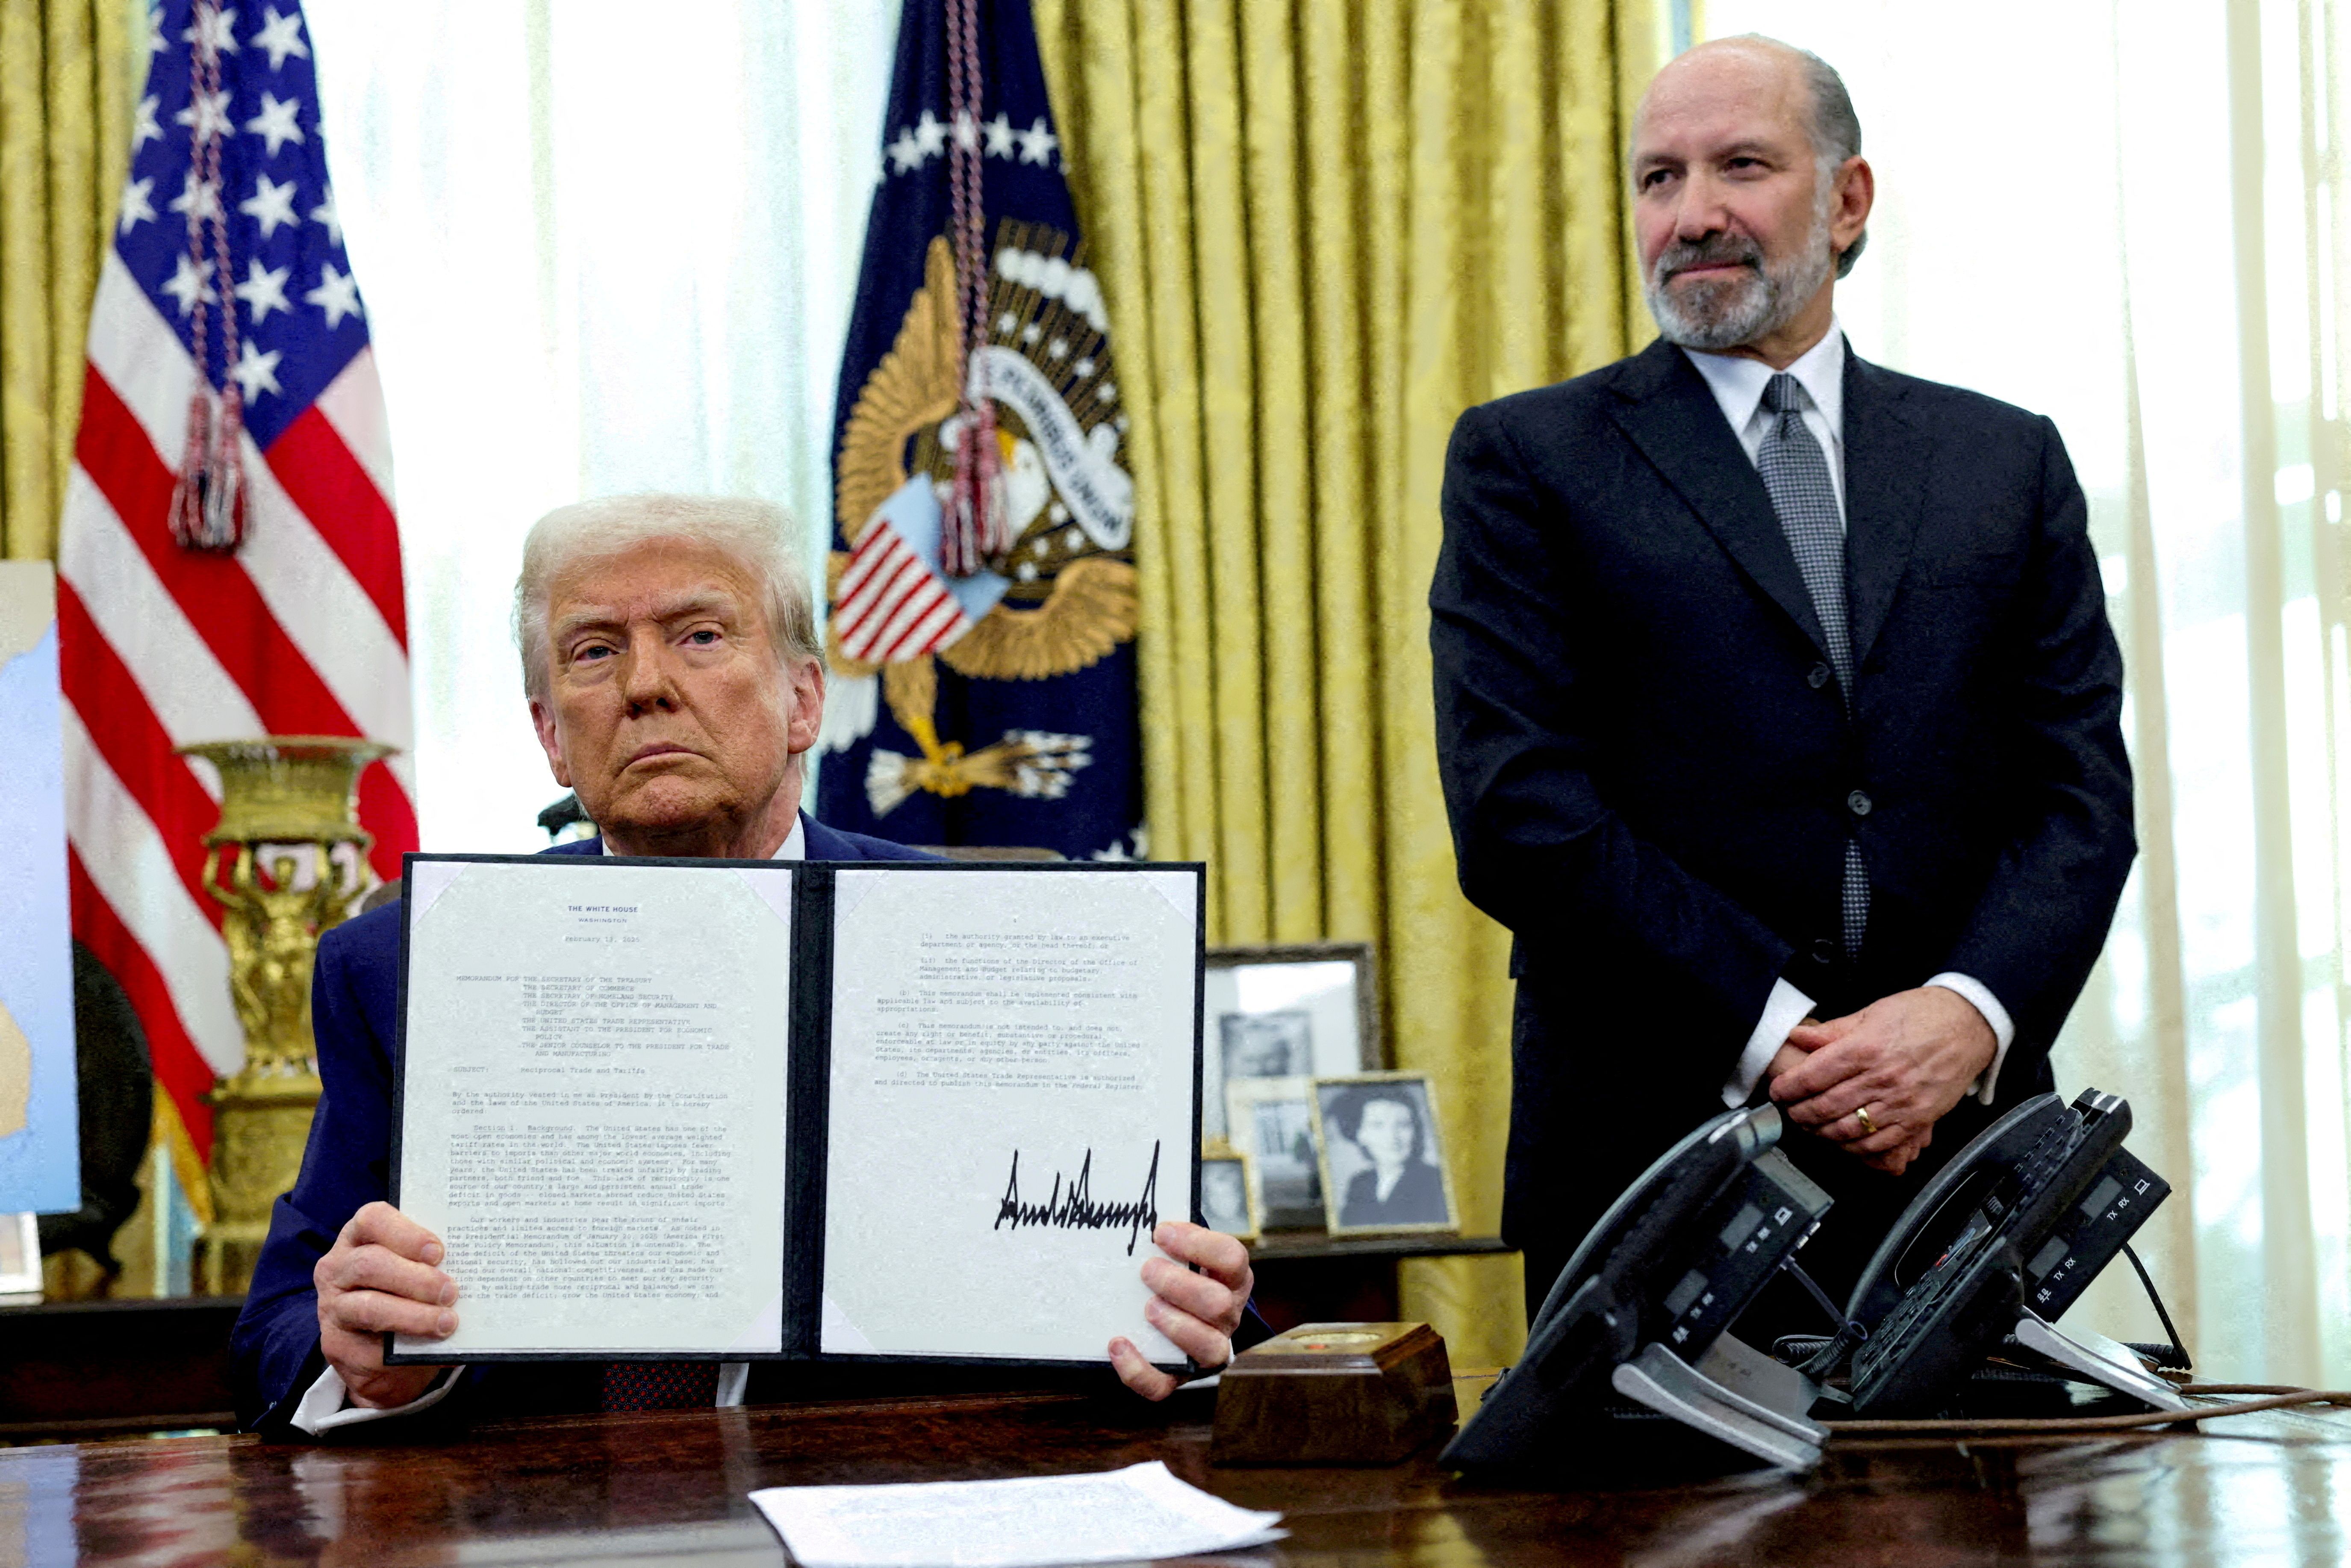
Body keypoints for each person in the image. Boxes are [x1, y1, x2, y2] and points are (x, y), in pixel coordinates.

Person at [230, 494, 1254, 1434]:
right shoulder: (399, 966)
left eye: (700, 637)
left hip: (917, 1495)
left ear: (804, 699)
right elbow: (273, 1333)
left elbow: (1184, 1304)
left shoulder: (1018, 943)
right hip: (539, 1516)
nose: (644, 687)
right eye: (592, 653)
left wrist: (1188, 1324)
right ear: (549, 736)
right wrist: (361, 1354)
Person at [1429, 37, 2134, 1327]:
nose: (1691, 213)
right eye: (1658, 178)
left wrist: (1962, 1017)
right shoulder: (1526, 462)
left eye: (1739, 166)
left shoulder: (2006, 462)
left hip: (1962, 1169)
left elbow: (2079, 797)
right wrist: (1786, 1035)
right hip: (1652, 1178)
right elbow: (1518, 809)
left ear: (1848, 199)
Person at [1328, 1087, 1447, 1229]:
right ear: (1360, 1134)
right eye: (1378, 1126)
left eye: (1403, 1125)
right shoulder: (1360, 1183)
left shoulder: (1436, 1180)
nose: (1392, 1138)